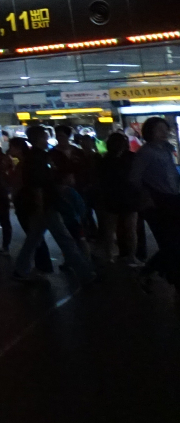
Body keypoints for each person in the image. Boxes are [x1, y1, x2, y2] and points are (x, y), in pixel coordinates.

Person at [12, 126, 94, 285]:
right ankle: (85, 273)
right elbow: (38, 185)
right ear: (39, 139)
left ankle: (21, 269)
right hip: (46, 204)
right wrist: (41, 206)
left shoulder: (34, 157)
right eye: (45, 137)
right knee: (64, 239)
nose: (47, 140)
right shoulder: (39, 158)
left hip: (43, 204)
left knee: (34, 239)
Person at [129, 116, 180, 293]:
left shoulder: (166, 149)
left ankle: (155, 272)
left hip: (172, 199)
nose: (164, 132)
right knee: (170, 243)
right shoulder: (146, 152)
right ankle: (163, 275)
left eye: (165, 129)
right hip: (157, 202)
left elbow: (171, 175)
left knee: (172, 242)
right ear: (149, 132)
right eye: (159, 129)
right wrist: (146, 195)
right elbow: (134, 178)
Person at [98, 130, 144, 264]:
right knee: (131, 229)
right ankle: (131, 255)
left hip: (112, 197)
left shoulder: (105, 160)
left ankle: (110, 255)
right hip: (129, 196)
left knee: (111, 228)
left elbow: (101, 180)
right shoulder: (132, 158)